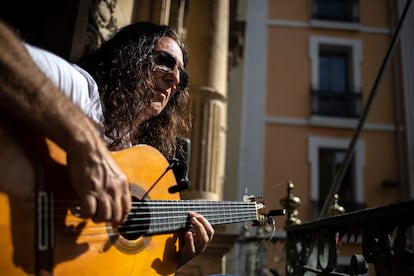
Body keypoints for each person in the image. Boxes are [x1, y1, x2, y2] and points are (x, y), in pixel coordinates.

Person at [0, 19, 214, 267]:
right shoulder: (82, 92)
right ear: (130, 56)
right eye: (165, 61)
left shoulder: (137, 153)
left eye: (183, 78)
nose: (175, 79)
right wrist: (84, 143)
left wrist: (171, 260)